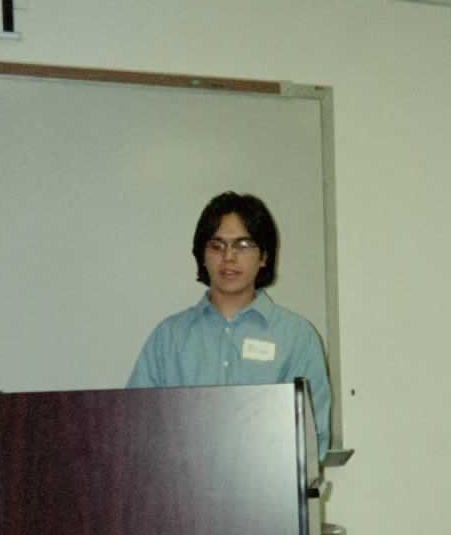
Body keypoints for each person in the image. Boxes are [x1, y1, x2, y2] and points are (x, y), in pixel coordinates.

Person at [128, 191, 332, 459]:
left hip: (269, 496)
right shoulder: (168, 338)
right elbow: (133, 427)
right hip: (181, 496)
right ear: (202, 255)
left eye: (243, 245)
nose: (229, 257)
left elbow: (314, 439)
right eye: (217, 245)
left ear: (264, 257)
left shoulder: (297, 337)